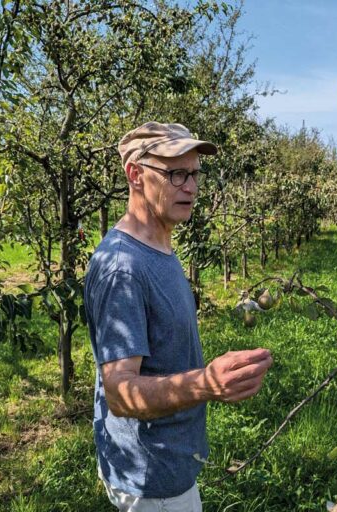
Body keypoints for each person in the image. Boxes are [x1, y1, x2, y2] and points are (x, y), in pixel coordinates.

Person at [84, 122, 273, 512]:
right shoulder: (124, 267)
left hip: (168, 462)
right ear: (135, 175)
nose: (190, 187)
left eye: (194, 173)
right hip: (151, 480)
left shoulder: (160, 246)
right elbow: (120, 393)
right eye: (175, 174)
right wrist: (206, 383)